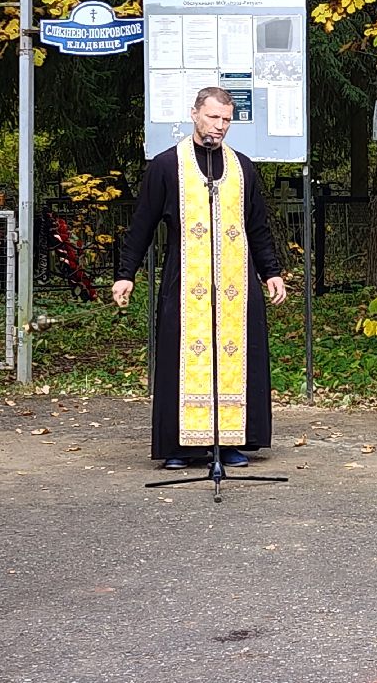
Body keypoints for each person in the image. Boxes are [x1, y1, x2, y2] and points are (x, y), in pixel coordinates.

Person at [113, 87, 287, 468]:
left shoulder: (243, 167)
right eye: (213, 117)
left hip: (236, 287)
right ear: (194, 114)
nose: (220, 126)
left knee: (237, 357)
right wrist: (126, 274)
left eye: (226, 120)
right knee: (183, 358)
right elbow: (142, 225)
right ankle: (181, 447)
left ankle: (230, 441)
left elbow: (257, 226)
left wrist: (271, 271)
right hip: (186, 282)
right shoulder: (165, 166)